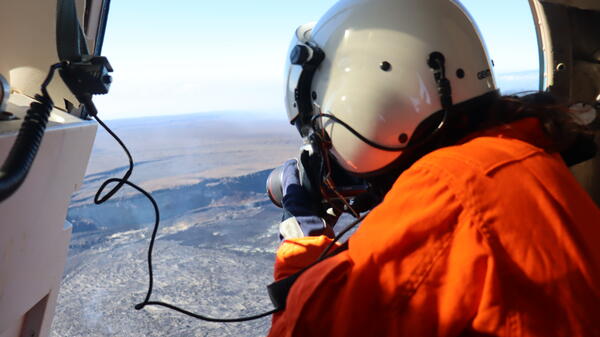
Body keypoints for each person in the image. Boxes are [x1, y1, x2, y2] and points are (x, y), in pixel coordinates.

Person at [267, 0, 600, 336]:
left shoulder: (450, 189)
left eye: (324, 135)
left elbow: (307, 328)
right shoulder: (521, 154)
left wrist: (302, 240)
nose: (329, 158)